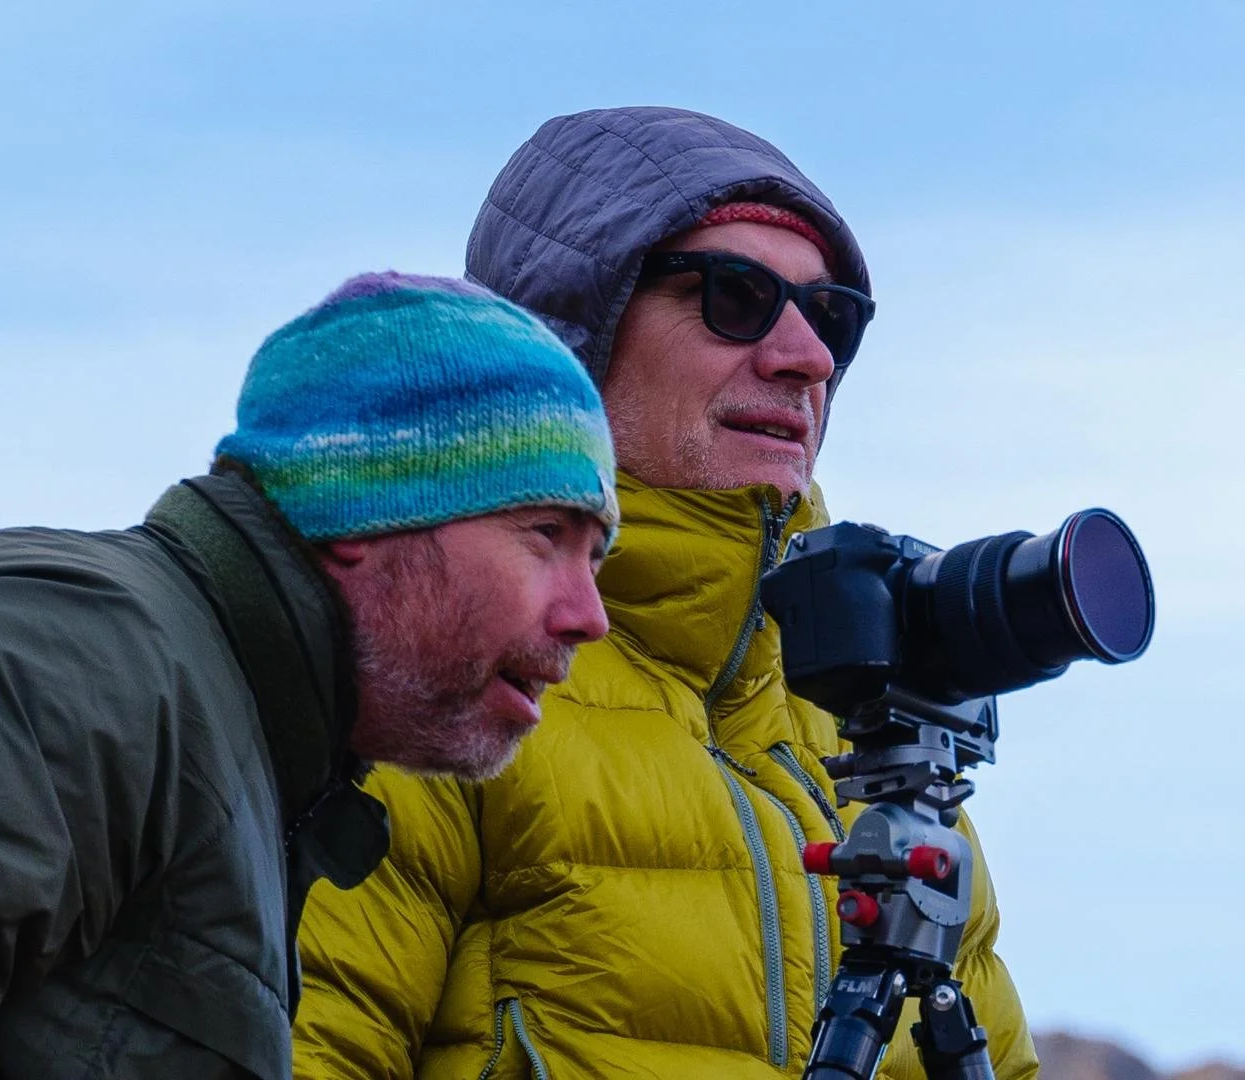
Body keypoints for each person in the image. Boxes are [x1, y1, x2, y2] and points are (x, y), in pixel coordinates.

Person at [0, 271, 620, 1080]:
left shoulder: (242, 740)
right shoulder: (83, 649)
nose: (589, 615)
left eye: (596, 557)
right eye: (545, 537)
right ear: (361, 513)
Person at [292, 109, 1040, 1078]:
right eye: (735, 297)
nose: (803, 356)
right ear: (572, 334)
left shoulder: (877, 749)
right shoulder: (438, 686)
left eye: (831, 316)